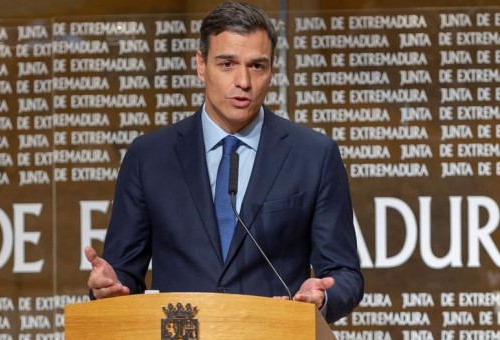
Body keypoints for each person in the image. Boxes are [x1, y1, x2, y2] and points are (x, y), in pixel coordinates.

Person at [84, 1, 363, 323]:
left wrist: (323, 296)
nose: (243, 81)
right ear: (201, 66)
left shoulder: (313, 154)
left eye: (257, 66)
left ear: (272, 70)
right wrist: (107, 287)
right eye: (227, 64)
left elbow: (344, 274)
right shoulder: (148, 157)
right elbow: (123, 275)